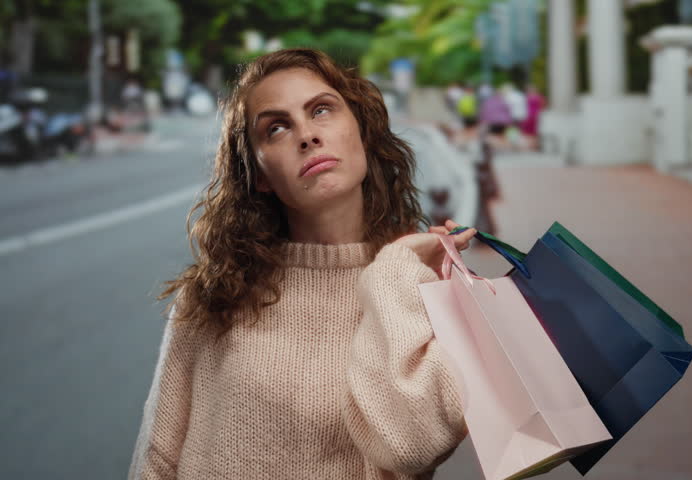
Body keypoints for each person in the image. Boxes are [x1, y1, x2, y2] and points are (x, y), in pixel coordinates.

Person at [128, 48, 475, 480]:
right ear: (259, 175)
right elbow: (157, 459)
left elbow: (409, 449)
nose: (307, 135)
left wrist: (396, 268)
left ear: (361, 131)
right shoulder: (212, 296)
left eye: (321, 110)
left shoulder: (419, 291)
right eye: (276, 128)